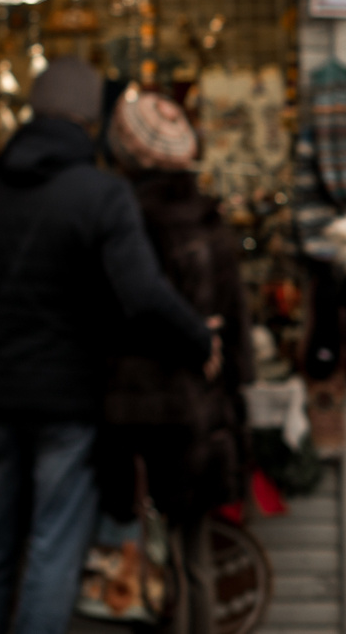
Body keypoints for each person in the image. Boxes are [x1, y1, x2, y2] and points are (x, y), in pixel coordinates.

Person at [0, 58, 214, 634]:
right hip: (70, 399)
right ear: (90, 123)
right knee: (51, 552)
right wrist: (200, 340)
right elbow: (142, 294)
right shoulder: (102, 195)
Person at [99, 91, 247, 634]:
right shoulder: (210, 221)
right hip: (204, 415)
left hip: (142, 417)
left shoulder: (123, 222)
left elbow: (120, 317)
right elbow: (237, 334)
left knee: (144, 562)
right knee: (193, 559)